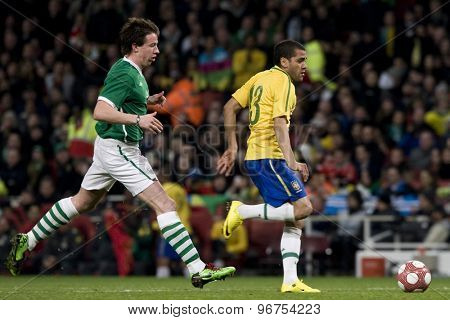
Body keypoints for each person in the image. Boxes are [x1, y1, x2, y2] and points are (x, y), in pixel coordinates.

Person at [6, 18, 235, 288]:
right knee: (166, 205)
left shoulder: (135, 73)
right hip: (119, 149)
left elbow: (122, 103)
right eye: (152, 45)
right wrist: (139, 120)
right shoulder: (125, 72)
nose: (157, 50)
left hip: (109, 148)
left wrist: (145, 102)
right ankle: (198, 268)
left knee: (82, 203)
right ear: (136, 46)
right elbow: (99, 111)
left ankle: (28, 240)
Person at [217, 40, 319, 293]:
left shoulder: (259, 78)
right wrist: (292, 161)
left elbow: (229, 107)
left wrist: (232, 147)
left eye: (305, 60)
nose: (305, 66)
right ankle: (241, 212)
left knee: (295, 219)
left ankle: (290, 281)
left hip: (258, 156)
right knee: (304, 208)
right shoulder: (284, 82)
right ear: (285, 62)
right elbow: (279, 124)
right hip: (268, 157)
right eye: (300, 60)